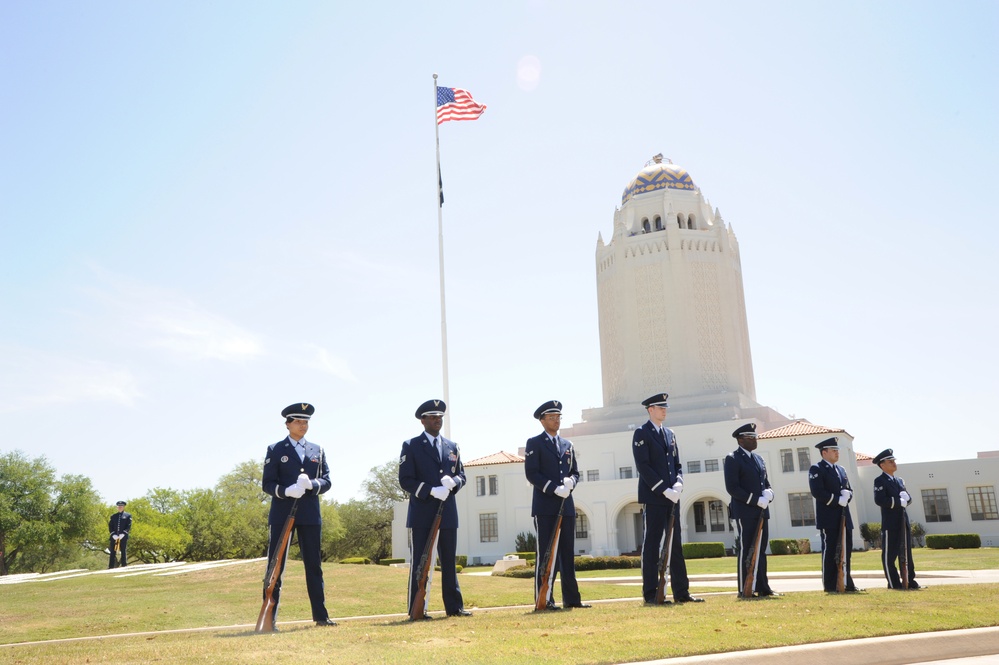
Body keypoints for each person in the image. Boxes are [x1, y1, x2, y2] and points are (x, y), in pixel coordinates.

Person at [260, 402, 336, 629]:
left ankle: (321, 616)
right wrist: (285, 491)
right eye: (298, 421)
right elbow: (267, 484)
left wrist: (313, 484)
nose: (303, 425)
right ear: (288, 424)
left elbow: (327, 480)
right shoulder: (275, 449)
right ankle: (269, 618)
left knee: (314, 565)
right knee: (276, 565)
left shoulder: (317, 450)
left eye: (306, 422)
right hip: (282, 513)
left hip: (310, 514)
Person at [398, 399, 471, 618]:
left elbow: (462, 475)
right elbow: (405, 479)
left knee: (448, 562)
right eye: (432, 417)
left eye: (439, 417)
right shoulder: (411, 446)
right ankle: (417, 609)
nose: (436, 420)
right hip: (422, 512)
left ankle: (455, 608)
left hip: (447, 511)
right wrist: (430, 490)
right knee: (421, 561)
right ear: (422, 420)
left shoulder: (452, 446)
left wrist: (454, 482)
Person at [632, 392, 703, 604]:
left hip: (673, 497)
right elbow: (643, 466)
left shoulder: (670, 434)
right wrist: (663, 489)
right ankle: (651, 593)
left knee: (676, 545)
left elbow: (677, 464)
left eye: (665, 407)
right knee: (652, 545)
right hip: (654, 496)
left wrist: (679, 483)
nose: (664, 410)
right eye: (660, 407)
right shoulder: (641, 433)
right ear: (650, 409)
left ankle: (682, 592)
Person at [524, 400, 590, 610]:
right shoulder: (534, 443)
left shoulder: (567, 445)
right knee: (546, 553)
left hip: (566, 506)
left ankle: (572, 599)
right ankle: (544, 599)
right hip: (545, 507)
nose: (556, 420)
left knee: (567, 555)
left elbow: (575, 472)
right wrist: (553, 487)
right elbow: (532, 473)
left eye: (558, 417)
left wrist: (572, 481)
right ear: (542, 421)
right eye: (551, 417)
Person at [723, 423, 781, 599]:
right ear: (740, 439)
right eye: (751, 437)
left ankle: (763, 586)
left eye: (755, 437)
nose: (755, 440)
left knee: (761, 550)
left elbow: (766, 483)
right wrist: (756, 500)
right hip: (745, 511)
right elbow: (733, 488)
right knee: (747, 549)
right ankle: (744, 588)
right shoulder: (733, 458)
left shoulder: (759, 459)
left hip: (762, 511)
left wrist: (769, 494)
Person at [808, 437, 861, 592]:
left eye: (837, 450)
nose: (837, 453)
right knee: (830, 550)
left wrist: (847, 496)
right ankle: (830, 585)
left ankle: (846, 582)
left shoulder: (841, 470)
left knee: (846, 550)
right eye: (834, 450)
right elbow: (818, 492)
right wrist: (838, 500)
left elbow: (848, 489)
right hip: (828, 517)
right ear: (824, 452)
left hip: (844, 516)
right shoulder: (817, 469)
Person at [872, 448, 920, 590]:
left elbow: (907, 498)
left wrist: (907, 499)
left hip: (902, 521)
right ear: (882, 465)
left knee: (906, 553)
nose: (894, 464)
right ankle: (894, 583)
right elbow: (880, 500)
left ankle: (910, 581)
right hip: (890, 523)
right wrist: (899, 502)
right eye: (890, 461)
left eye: (894, 461)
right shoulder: (880, 480)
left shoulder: (899, 481)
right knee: (890, 555)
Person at [108, 501, 131, 569]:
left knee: (123, 550)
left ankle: (124, 565)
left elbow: (128, 525)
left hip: (123, 536)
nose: (120, 507)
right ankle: (111, 566)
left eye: (121, 506)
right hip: (115, 537)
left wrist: (124, 533)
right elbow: (110, 526)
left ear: (123, 507)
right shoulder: (113, 516)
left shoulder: (127, 515)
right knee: (113, 551)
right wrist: (113, 534)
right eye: (119, 506)